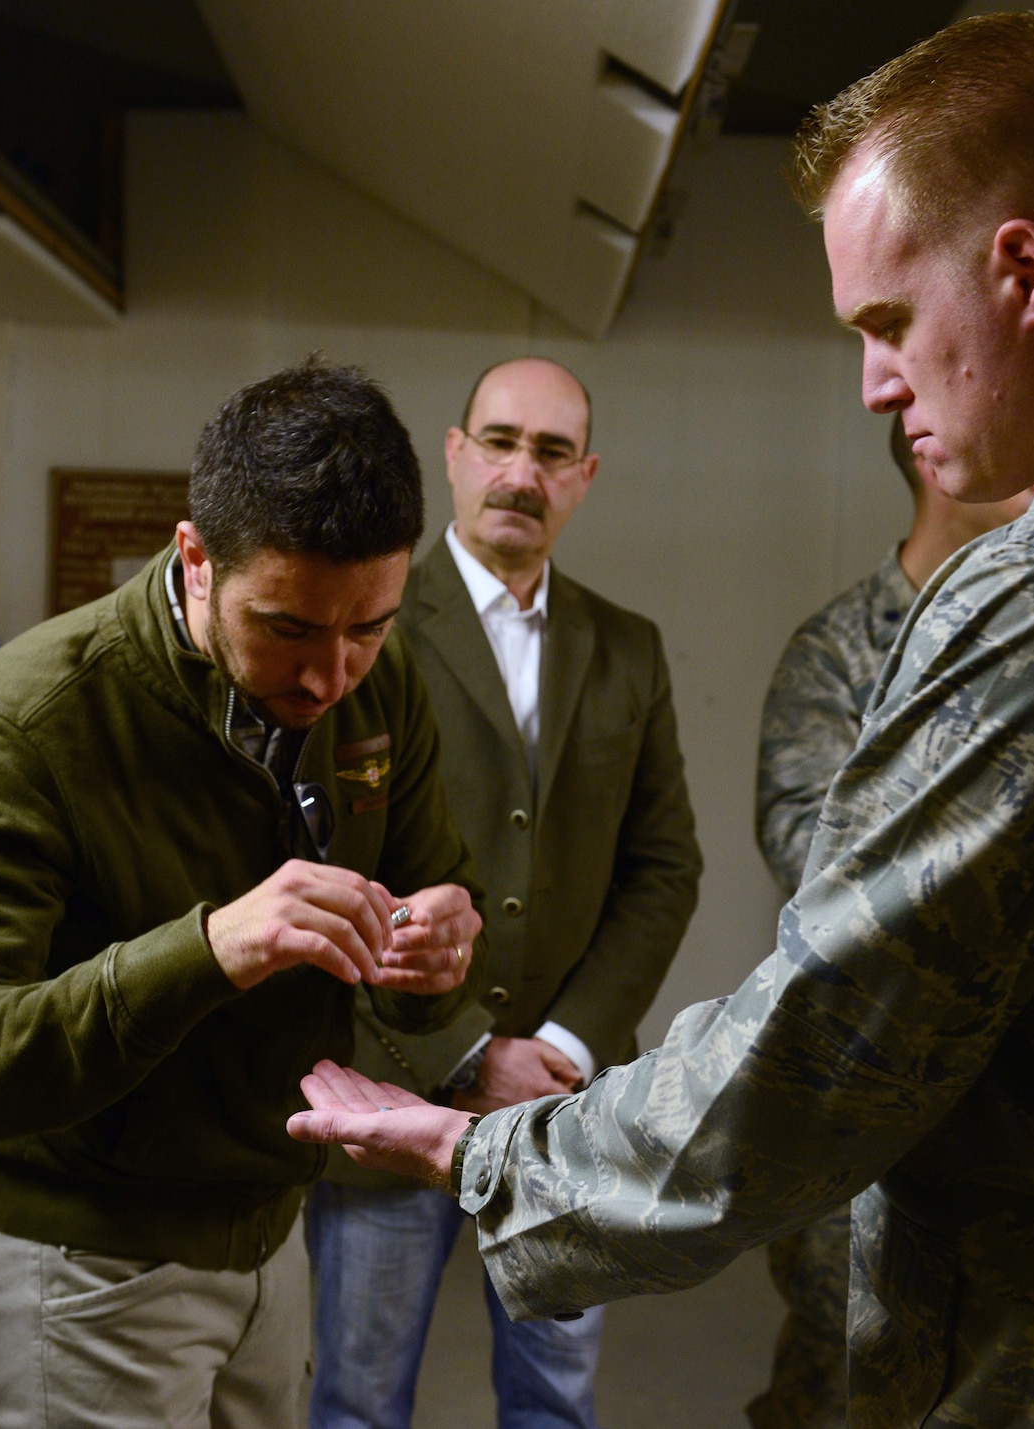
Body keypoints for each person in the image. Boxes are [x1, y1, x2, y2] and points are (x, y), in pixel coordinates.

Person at [287, 13, 1034, 1425]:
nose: (874, 381)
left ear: (1026, 270)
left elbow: (827, 1043)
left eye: (889, 323)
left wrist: (491, 1153)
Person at [0, 358, 484, 1429]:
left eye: (369, 625)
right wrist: (205, 949)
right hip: (91, 1261)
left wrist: (436, 959)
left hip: (271, 1232)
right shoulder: (34, 720)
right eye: (286, 627)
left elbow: (418, 939)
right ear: (194, 559)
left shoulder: (377, 684)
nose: (328, 676)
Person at [307, 357, 702, 1429]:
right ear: (454, 452)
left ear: (584, 476)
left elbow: (664, 865)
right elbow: (316, 857)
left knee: (554, 1403)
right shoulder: (364, 626)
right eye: (499, 440)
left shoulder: (626, 649)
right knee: (355, 1399)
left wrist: (564, 1047)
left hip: (563, 1111)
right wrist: (466, 1052)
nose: (519, 472)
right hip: (393, 1091)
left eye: (550, 451)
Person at [748, 414, 1030, 1429]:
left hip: (1024, 1143)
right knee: (840, 1393)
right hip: (858, 1148)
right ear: (930, 460)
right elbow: (838, 878)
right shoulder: (837, 654)